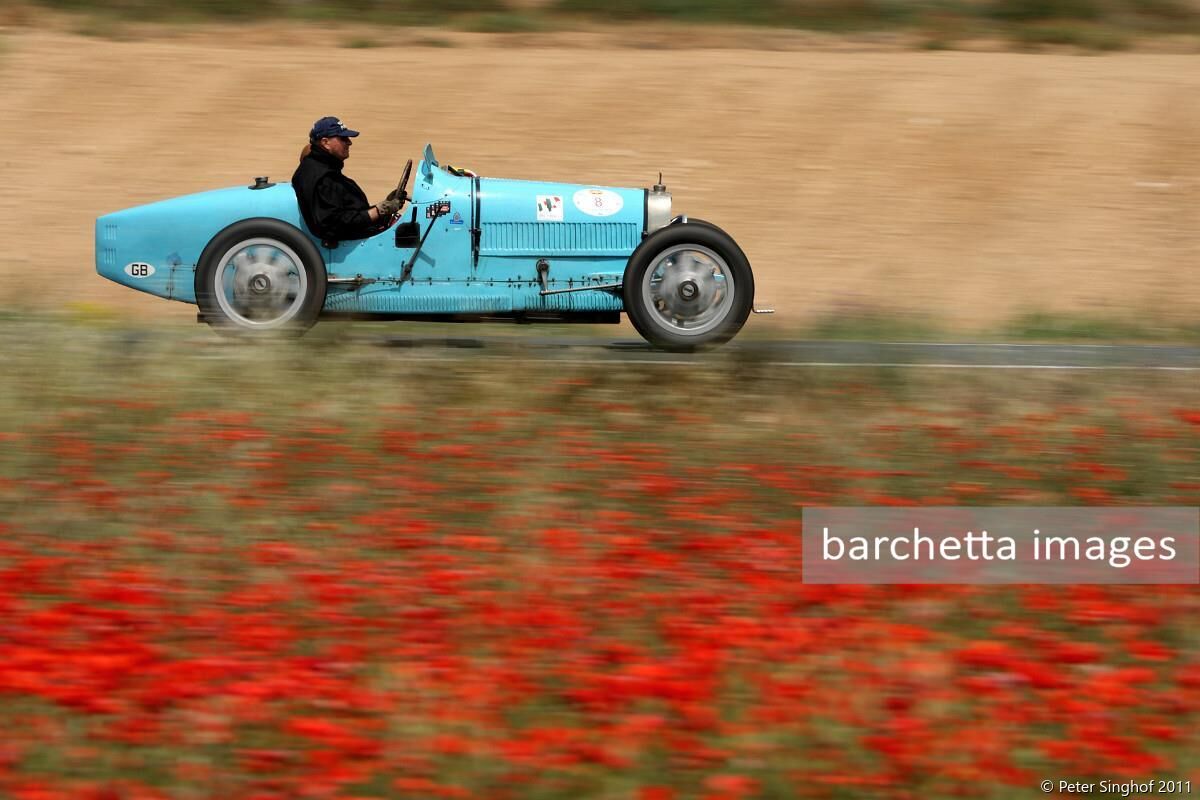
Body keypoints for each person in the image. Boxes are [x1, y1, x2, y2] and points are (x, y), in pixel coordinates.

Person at [291, 116, 405, 244]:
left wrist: (384, 208)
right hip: (352, 243)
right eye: (343, 138)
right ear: (325, 142)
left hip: (360, 235)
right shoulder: (323, 178)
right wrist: (378, 211)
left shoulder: (323, 169)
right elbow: (333, 224)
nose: (349, 142)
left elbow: (349, 213)